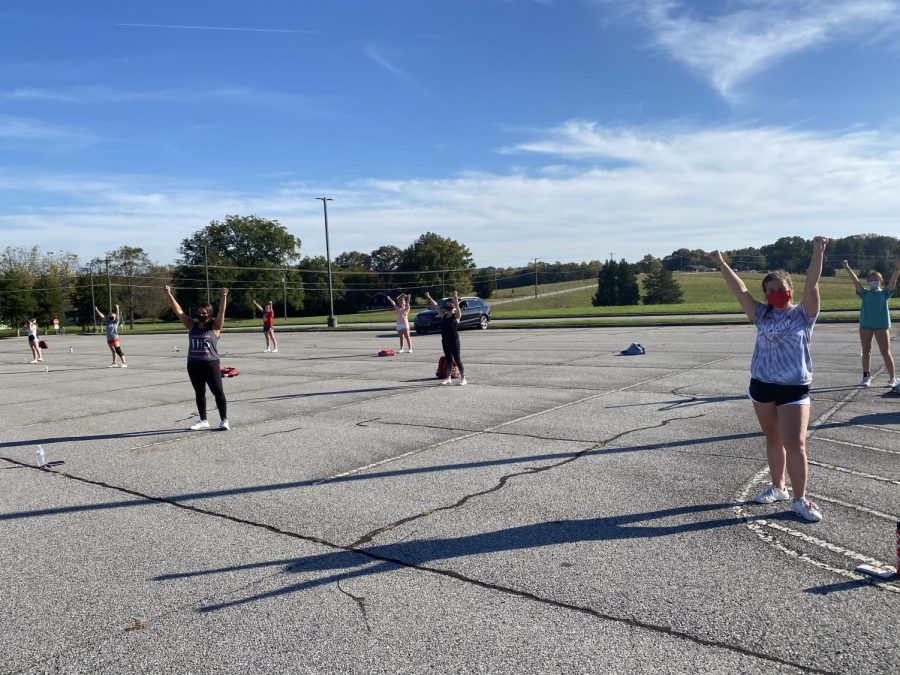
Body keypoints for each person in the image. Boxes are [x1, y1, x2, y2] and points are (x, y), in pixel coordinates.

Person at [711, 237, 828, 522]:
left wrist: (817, 252)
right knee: (772, 438)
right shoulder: (761, 314)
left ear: (790, 290)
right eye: (771, 290)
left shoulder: (804, 314)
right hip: (762, 385)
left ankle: (800, 499)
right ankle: (778, 487)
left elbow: (812, 284)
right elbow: (740, 291)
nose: (777, 293)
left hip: (793, 387)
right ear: (766, 295)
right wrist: (721, 263)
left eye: (781, 289)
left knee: (796, 443)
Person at [165, 286, 230, 431]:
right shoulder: (191, 325)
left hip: (211, 363)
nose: (202, 314)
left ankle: (224, 420)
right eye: (200, 312)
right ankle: (203, 420)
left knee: (218, 391)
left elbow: (222, 312)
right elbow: (178, 310)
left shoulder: (215, 326)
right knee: (199, 392)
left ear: (209, 314)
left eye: (205, 312)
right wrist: (169, 294)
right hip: (194, 364)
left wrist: (223, 296)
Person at [841, 261, 899, 388]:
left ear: (880, 281)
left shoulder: (885, 293)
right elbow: (855, 281)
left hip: (881, 325)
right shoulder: (865, 293)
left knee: (886, 352)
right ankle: (866, 377)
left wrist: (897, 269)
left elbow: (893, 282)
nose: (874, 281)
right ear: (868, 281)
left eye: (876, 279)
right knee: (866, 351)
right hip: (866, 325)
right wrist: (848, 268)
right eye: (871, 279)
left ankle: (892, 378)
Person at [426, 290, 466, 386]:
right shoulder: (444, 315)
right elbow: (436, 306)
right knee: (448, 359)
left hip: (454, 340)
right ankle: (448, 378)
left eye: (450, 303)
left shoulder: (456, 315)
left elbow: (457, 306)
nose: (448, 305)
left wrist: (455, 297)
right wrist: (429, 297)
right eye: (447, 303)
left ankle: (463, 378)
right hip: (445, 340)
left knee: (457, 359)